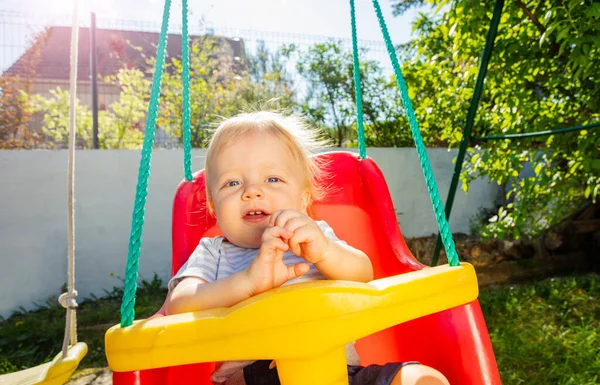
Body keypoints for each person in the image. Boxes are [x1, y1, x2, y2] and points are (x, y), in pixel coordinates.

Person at [164, 111, 450, 385]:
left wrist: (325, 253)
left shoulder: (313, 237)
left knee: (421, 380)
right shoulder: (213, 252)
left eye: (272, 179)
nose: (252, 191)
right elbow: (180, 303)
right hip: (255, 375)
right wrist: (247, 282)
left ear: (303, 199)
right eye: (232, 182)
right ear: (214, 207)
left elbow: (363, 273)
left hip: (338, 370)